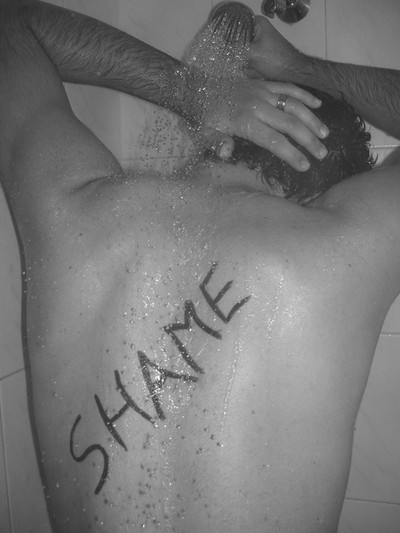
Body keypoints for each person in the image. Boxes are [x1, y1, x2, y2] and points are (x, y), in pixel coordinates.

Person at [1, 2, 400, 532]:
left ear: (221, 135)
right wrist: (299, 67)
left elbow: (12, 27)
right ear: (326, 187)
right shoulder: (345, 251)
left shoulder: (72, 207)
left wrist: (195, 91)